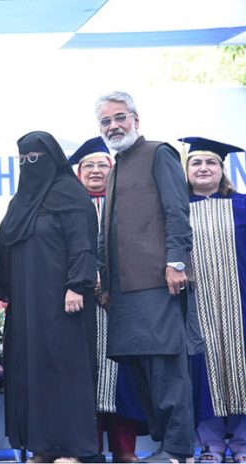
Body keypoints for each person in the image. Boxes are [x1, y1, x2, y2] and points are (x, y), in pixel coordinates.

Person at [95, 91, 203, 462]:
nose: (114, 126)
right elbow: (106, 231)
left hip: (158, 283)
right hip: (123, 293)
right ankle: (164, 446)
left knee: (167, 373)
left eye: (119, 118)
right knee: (141, 373)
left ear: (135, 120)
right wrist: (105, 284)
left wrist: (176, 263)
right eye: (106, 121)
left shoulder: (159, 153)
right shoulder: (117, 167)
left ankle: (178, 451)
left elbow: (177, 211)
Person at [0, 131, 99, 462]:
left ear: (52, 159)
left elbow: (83, 242)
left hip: (63, 300)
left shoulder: (69, 194)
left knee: (64, 370)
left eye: (36, 158)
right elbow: (6, 244)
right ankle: (42, 446)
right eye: (23, 159)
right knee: (31, 371)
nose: (29, 165)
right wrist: (2, 290)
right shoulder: (20, 201)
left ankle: (71, 448)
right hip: (26, 305)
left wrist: (77, 284)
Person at [69, 137, 146, 463]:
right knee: (85, 379)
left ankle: (124, 449)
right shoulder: (68, 207)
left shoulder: (126, 204)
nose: (97, 171)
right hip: (81, 308)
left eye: (103, 165)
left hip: (121, 306)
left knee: (123, 379)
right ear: (79, 172)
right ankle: (89, 449)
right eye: (90, 166)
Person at [179, 137, 246, 463]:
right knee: (202, 370)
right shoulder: (177, 210)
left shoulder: (244, 205)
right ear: (186, 171)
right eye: (196, 163)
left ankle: (244, 444)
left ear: (222, 170)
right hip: (196, 305)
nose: (203, 168)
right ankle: (211, 445)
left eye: (211, 163)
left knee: (242, 367)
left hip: (241, 303)